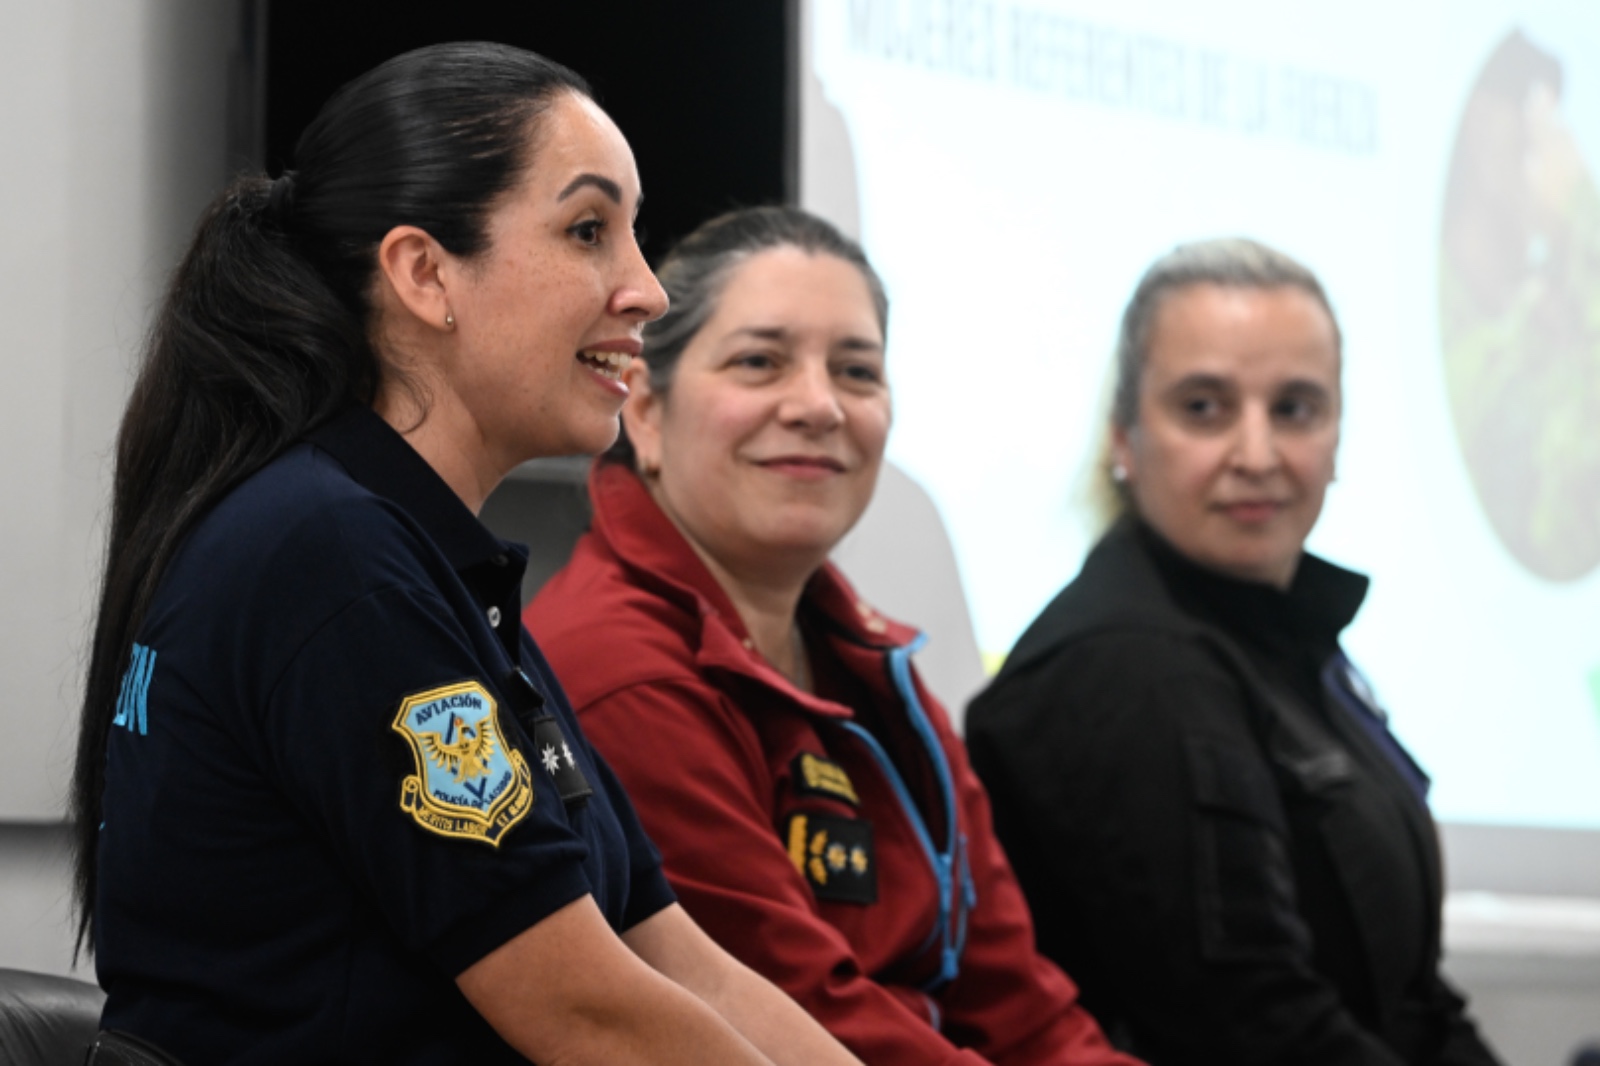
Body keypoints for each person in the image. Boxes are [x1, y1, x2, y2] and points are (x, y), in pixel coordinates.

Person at [69, 43, 865, 1066]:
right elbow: (586, 1015)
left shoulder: (416, 561)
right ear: (424, 273)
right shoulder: (327, 555)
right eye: (589, 231)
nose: (647, 292)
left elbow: (672, 957)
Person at [523, 206, 1141, 1065]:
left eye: (856, 371)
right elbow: (804, 1023)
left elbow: (1022, 1009)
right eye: (759, 362)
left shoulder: (876, 667)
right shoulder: (619, 672)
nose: (818, 406)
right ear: (650, 413)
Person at [964, 239, 1503, 1066]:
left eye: (1295, 409)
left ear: (1337, 436)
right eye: (1204, 408)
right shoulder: (1124, 669)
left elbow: (1414, 1001)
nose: (1257, 455)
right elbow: (1251, 1031)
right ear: (1124, 438)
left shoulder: (1282, 646)